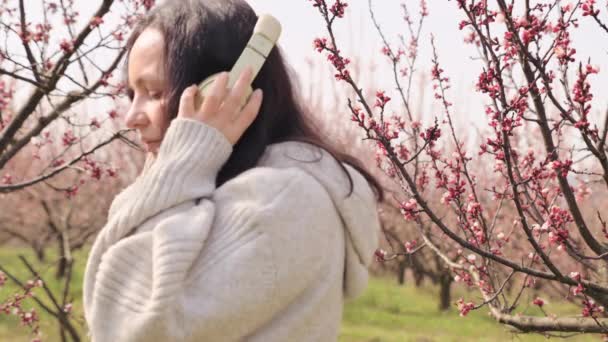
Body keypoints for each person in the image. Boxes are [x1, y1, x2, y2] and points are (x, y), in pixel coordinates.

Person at [82, 0, 383, 341]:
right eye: (131, 94)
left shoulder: (283, 201)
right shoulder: (214, 187)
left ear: (227, 89)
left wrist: (182, 161)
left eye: (154, 93)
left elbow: (125, 326)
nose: (132, 116)